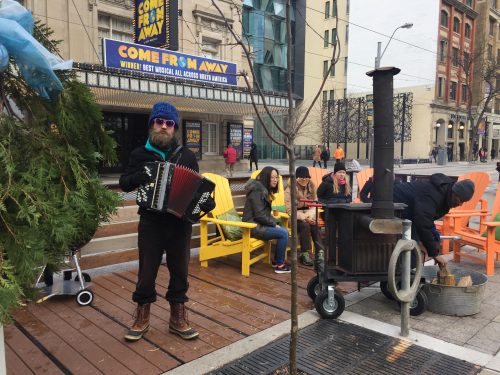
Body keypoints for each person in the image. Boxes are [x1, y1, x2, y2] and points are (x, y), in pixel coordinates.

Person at [119, 102, 201, 342]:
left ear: (174, 128)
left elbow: (197, 188)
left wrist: (202, 204)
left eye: (169, 123)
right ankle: (142, 317)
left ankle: (177, 318)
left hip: (179, 225)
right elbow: (125, 183)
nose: (164, 127)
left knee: (180, 272)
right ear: (152, 124)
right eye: (159, 121)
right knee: (146, 272)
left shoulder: (186, 155)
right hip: (151, 223)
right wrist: (139, 176)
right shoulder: (139, 154)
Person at [392, 174, 475, 268]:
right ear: (455, 193)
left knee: (427, 241)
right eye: (460, 200)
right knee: (411, 250)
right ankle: (401, 278)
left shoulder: (445, 194)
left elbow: (427, 217)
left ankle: (403, 276)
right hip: (394, 208)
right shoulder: (433, 195)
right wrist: (435, 254)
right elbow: (422, 222)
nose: (460, 204)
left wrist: (433, 234)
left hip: (410, 213)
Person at [243, 166, 291, 273]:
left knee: (284, 231)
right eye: (272, 178)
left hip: (259, 224)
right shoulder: (257, 191)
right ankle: (279, 265)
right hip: (252, 227)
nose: (275, 180)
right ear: (265, 178)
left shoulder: (263, 190)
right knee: (283, 233)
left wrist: (275, 222)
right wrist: (274, 224)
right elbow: (260, 214)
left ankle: (277, 261)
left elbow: (264, 213)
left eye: (276, 177)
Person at [284, 166, 322, 266]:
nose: (304, 179)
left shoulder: (312, 187)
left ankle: (320, 252)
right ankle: (304, 254)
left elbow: (314, 205)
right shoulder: (290, 189)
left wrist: (310, 216)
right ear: (296, 178)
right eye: (301, 177)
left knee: (315, 225)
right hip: (294, 216)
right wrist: (305, 217)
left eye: (306, 177)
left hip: (308, 214)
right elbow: (289, 210)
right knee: (305, 225)